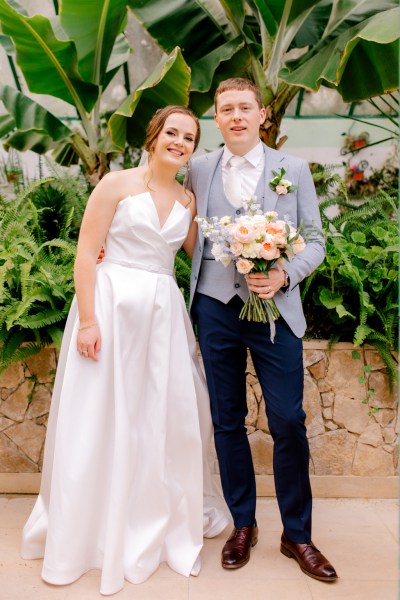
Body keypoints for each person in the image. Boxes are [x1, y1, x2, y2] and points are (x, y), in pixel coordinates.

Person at [21, 105, 229, 596]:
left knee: (163, 418)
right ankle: (88, 530)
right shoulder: (115, 185)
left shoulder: (188, 201)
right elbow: (85, 253)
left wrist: (260, 247)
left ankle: (149, 519)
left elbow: (208, 258)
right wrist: (89, 321)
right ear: (154, 135)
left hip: (162, 317)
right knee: (99, 417)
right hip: (111, 311)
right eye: (172, 133)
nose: (179, 142)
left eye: (189, 137)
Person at [189, 78, 338, 582]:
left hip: (275, 311)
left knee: (288, 421)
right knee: (226, 420)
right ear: (216, 118)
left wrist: (284, 273)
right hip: (214, 306)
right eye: (225, 108)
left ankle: (297, 534)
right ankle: (242, 524)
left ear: (261, 116)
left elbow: (315, 239)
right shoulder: (199, 167)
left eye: (244, 108)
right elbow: (161, 203)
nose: (235, 116)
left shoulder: (291, 169)